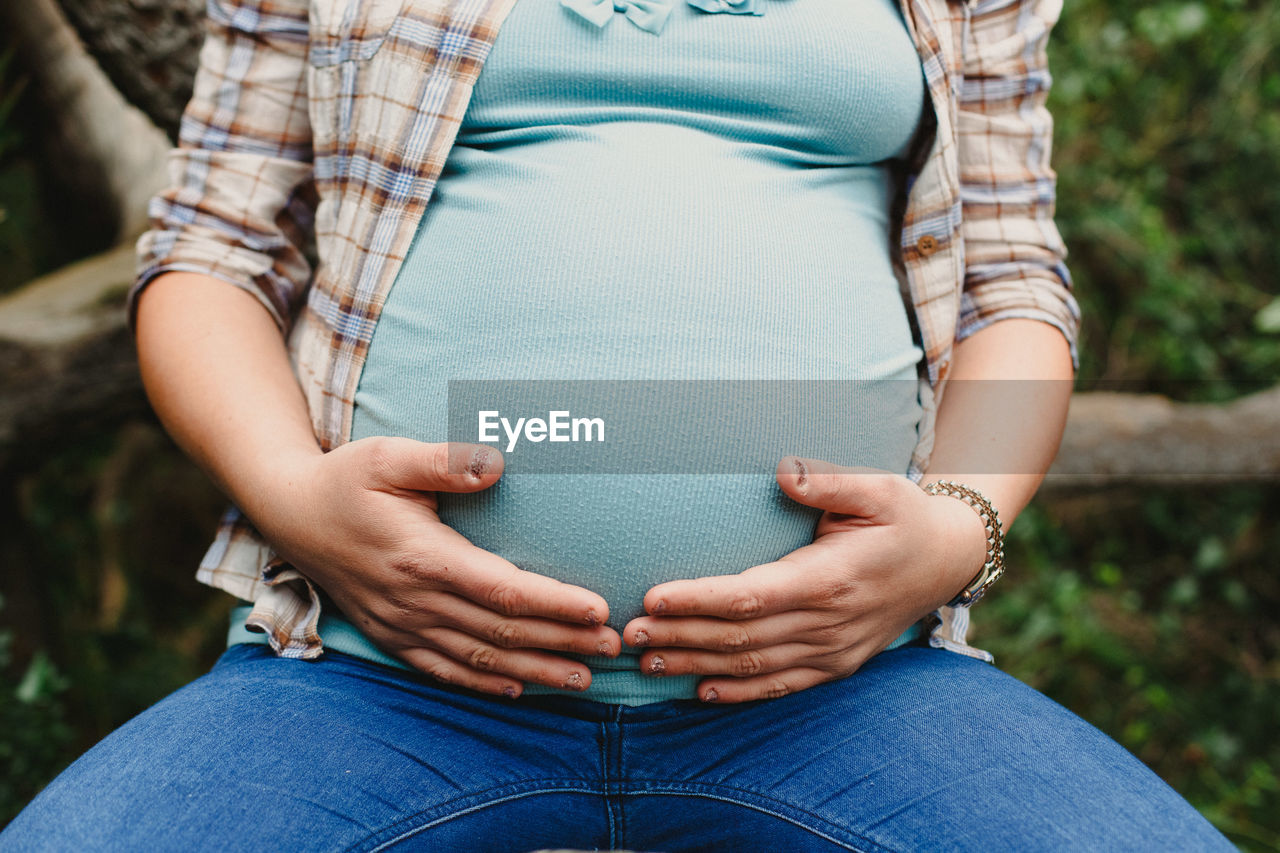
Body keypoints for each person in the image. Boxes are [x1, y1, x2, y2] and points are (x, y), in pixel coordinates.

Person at [1, 0, 1234, 848]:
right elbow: (207, 261)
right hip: (369, 681)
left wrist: (959, 528)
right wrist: (291, 494)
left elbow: (1014, 294)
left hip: (851, 689)